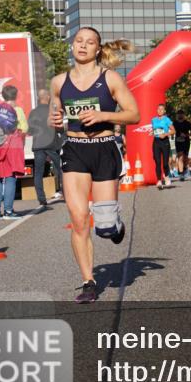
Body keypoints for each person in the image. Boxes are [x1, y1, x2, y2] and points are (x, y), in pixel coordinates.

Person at [49, 27, 139, 304]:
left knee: (105, 227)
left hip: (104, 148)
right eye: (79, 41)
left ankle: (115, 224)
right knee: (78, 220)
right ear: (72, 46)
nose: (83, 46)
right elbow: (56, 114)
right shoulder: (58, 82)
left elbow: (134, 114)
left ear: (98, 49)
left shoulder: (109, 78)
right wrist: (54, 121)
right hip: (75, 149)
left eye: (90, 43)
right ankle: (88, 281)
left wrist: (103, 114)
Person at [0, 85, 29, 219]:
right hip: (12, 147)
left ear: (3, 96)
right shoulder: (17, 110)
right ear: (15, 95)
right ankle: (9, 211)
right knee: (11, 178)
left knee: (0, 178)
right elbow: (24, 128)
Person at [27, 88, 63, 207]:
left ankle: (42, 200)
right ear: (48, 97)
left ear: (39, 98)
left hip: (38, 145)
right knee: (61, 169)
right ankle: (66, 193)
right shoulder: (52, 111)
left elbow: (30, 131)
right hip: (52, 144)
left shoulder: (33, 112)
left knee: (39, 172)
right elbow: (59, 128)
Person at [150, 104, 174, 190]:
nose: (160, 110)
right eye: (158, 109)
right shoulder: (153, 120)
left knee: (165, 162)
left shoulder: (167, 120)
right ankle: (159, 180)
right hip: (156, 142)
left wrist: (165, 134)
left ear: (164, 111)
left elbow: (173, 130)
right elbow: (154, 129)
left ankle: (167, 177)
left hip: (165, 142)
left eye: (161, 109)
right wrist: (152, 132)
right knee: (157, 162)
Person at [174, 112, 191, 180]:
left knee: (185, 158)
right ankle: (181, 173)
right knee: (180, 157)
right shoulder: (175, 123)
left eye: (181, 114)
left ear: (184, 115)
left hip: (186, 142)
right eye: (179, 114)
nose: (180, 115)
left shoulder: (187, 123)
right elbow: (172, 130)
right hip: (178, 141)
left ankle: (185, 169)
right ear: (177, 115)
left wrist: (186, 135)